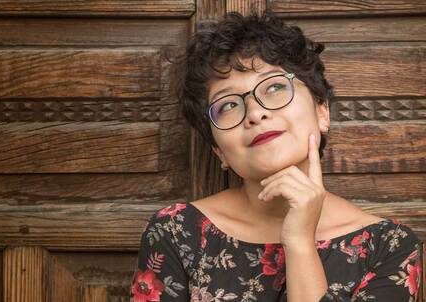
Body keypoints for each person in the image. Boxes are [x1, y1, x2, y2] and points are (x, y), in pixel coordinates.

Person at [129, 11, 422, 302]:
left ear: (322, 111)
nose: (256, 113)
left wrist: (299, 243)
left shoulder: (390, 247)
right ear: (219, 150)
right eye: (228, 106)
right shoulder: (175, 232)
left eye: (275, 87)